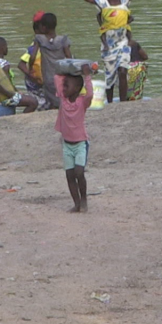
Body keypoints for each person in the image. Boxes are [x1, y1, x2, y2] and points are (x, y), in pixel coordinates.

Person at [76, 0, 145, 103]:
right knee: (110, 77)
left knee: (122, 71)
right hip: (108, 45)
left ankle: (122, 104)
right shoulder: (102, 2)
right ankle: (110, 103)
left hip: (123, 43)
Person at [54, 63, 93, 212]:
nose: (63, 88)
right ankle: (76, 204)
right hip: (67, 145)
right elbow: (57, 78)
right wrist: (67, 68)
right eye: (64, 86)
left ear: (77, 89)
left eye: (67, 86)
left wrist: (86, 75)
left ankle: (83, 200)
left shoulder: (82, 102)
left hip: (80, 143)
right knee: (70, 175)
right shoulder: (63, 100)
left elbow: (89, 94)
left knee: (79, 172)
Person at [0, 37, 38, 114]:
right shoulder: (4, 64)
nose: (7, 48)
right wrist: (15, 93)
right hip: (5, 97)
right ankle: (23, 119)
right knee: (33, 102)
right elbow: (7, 84)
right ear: (2, 48)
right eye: (6, 46)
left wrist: (17, 91)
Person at [34, 13, 73, 110]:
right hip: (61, 76)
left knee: (51, 99)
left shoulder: (39, 39)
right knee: (62, 97)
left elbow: (32, 57)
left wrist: (31, 67)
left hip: (48, 77)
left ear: (43, 27)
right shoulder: (63, 40)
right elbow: (69, 57)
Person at [18, 13, 50, 111]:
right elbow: (21, 64)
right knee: (41, 102)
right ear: (37, 32)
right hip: (34, 83)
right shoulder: (32, 49)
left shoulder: (49, 45)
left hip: (43, 81)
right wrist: (31, 75)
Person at [126, 34, 149, 101]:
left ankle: (125, 98)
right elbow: (145, 57)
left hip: (126, 68)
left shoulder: (116, 45)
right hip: (139, 67)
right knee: (138, 86)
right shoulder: (135, 43)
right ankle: (137, 96)